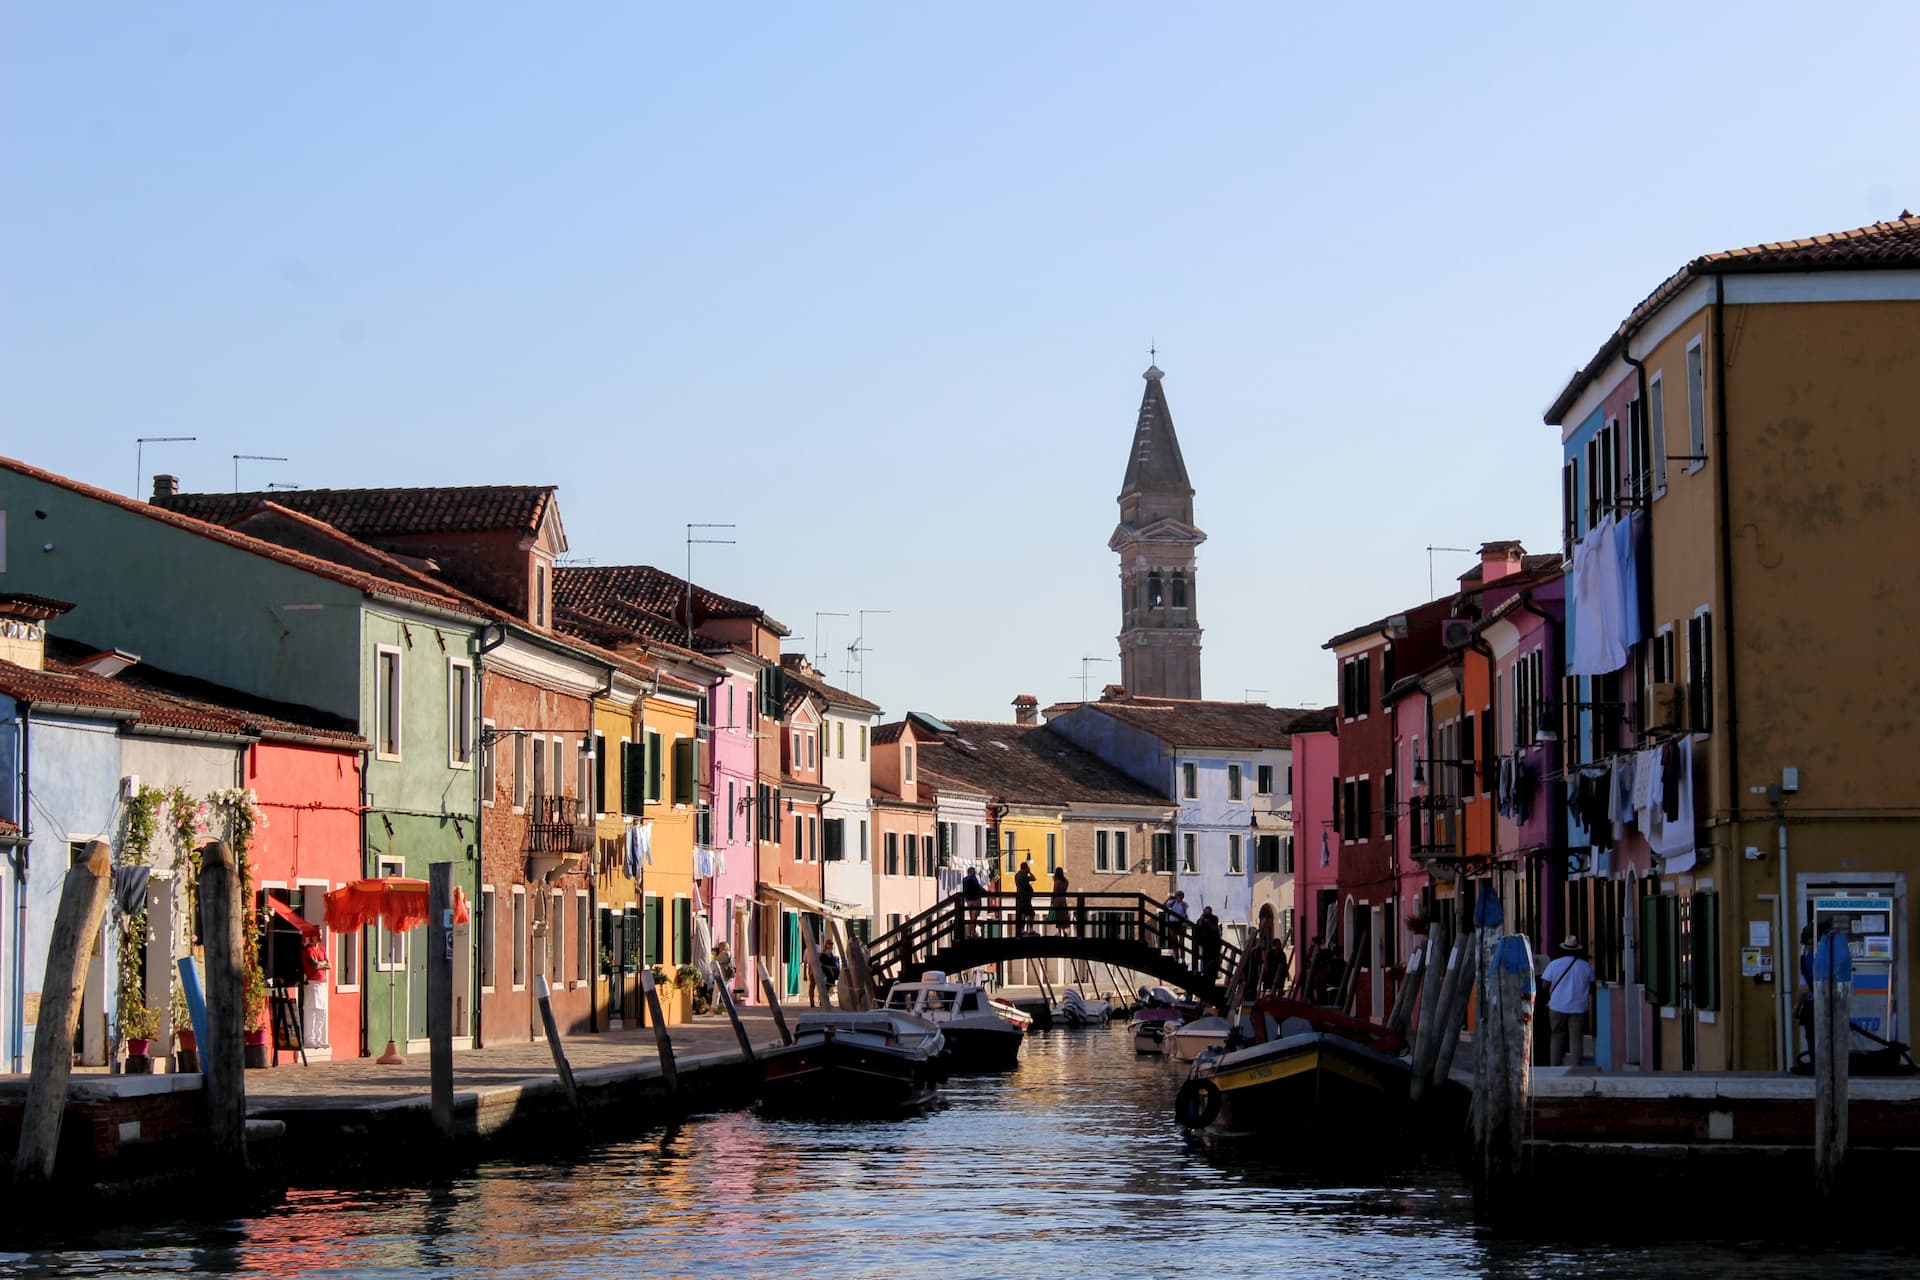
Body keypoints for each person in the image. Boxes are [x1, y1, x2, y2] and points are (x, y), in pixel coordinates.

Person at [1540, 934, 1594, 1067]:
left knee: (1557, 1036)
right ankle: (1576, 1068)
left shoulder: (1554, 965)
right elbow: (1592, 987)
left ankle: (1555, 1066)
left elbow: (1544, 985)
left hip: (1557, 1006)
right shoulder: (1586, 967)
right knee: (1576, 1039)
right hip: (1578, 1008)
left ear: (1564, 949)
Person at [1193, 906, 1222, 979]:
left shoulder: (1214, 918)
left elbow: (1214, 928)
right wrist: (1202, 918)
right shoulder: (1202, 918)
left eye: (1208, 911)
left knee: (1212, 960)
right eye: (1206, 911)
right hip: (1205, 943)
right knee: (1205, 959)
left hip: (1213, 943)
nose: (1207, 913)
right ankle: (1204, 972)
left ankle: (1212, 973)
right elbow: (1198, 925)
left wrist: (1208, 921)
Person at [814, 937, 843, 1008]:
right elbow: (825, 965)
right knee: (826, 988)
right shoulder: (824, 955)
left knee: (828, 988)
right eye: (829, 944)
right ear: (826, 945)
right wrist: (830, 971)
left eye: (832, 944)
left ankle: (824, 1001)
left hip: (831, 974)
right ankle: (823, 1002)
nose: (831, 945)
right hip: (826, 974)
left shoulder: (831, 953)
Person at [1163, 889, 1189, 964]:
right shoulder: (1172, 902)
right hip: (1172, 923)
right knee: (1174, 941)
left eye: (1181, 895)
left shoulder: (1184, 904)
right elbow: (1163, 906)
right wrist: (1168, 899)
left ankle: (1182, 958)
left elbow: (1185, 913)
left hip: (1181, 923)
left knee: (1181, 942)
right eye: (1178, 895)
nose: (1179, 897)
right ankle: (1176, 957)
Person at [1014, 859, 1037, 936]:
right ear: (1025, 868)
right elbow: (1034, 878)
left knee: (1023, 914)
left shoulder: (1017, 875)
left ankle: (1022, 930)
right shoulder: (1024, 876)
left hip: (1020, 898)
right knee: (1031, 914)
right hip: (1026, 898)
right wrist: (1029, 872)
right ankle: (1030, 929)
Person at [961, 866, 986, 936]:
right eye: (973, 872)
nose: (974, 873)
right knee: (974, 917)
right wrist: (985, 892)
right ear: (971, 872)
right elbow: (978, 887)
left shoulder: (964, 879)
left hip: (968, 900)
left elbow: (965, 889)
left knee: (971, 916)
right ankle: (971, 932)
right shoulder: (973, 879)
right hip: (975, 899)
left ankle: (970, 932)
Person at [1049, 867, 1071, 935]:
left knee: (1058, 915)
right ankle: (1063, 931)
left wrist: (1052, 901)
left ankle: (1059, 931)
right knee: (1063, 915)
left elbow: (1055, 892)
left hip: (1057, 900)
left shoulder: (1057, 881)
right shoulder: (1066, 881)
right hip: (1063, 899)